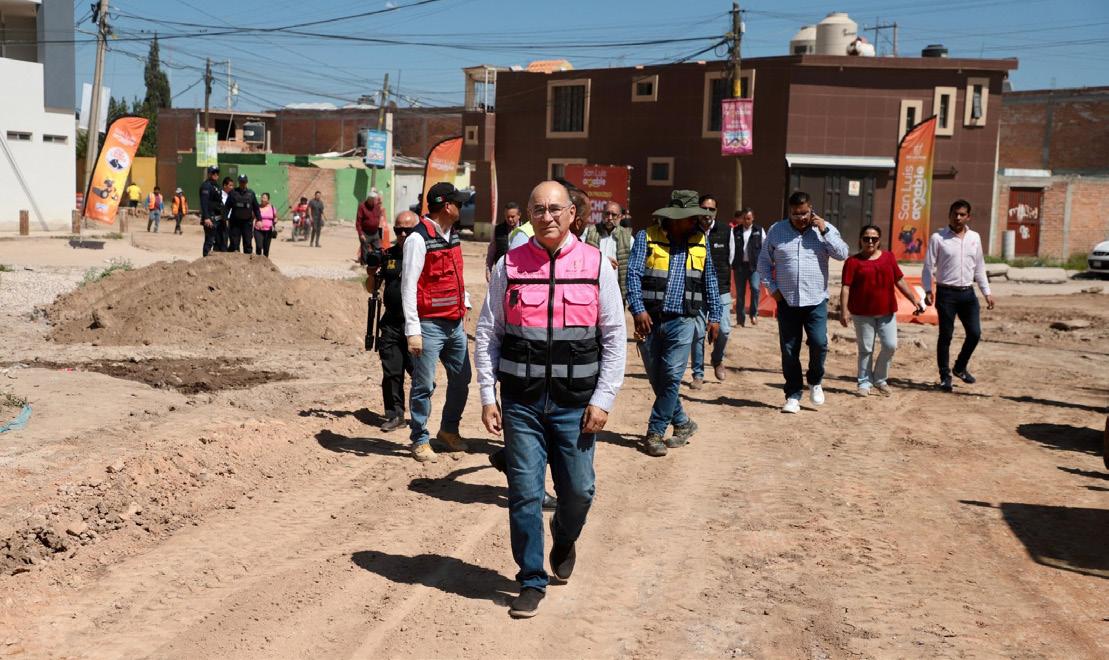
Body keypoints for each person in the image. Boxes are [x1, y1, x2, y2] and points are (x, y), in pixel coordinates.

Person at [475, 180, 626, 618]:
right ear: (529, 215)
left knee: (578, 491)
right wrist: (487, 395)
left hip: (575, 404)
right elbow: (488, 333)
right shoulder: (509, 265)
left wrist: (603, 399)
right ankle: (531, 579)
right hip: (521, 402)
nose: (548, 217)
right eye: (539, 209)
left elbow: (614, 336)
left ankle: (565, 535)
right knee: (524, 493)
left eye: (556, 208)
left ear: (572, 214)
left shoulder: (596, 265)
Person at [626, 189, 721, 457]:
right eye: (691, 217)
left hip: (683, 320)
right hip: (649, 321)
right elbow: (632, 275)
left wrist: (715, 315)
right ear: (676, 218)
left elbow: (710, 279)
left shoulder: (701, 240)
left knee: (670, 377)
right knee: (658, 379)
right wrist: (638, 310)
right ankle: (683, 422)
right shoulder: (646, 237)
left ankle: (655, 433)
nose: (696, 221)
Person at [758, 191, 849, 413]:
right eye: (795, 214)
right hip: (787, 301)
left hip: (815, 300)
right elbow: (763, 263)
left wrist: (824, 230)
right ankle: (793, 395)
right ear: (789, 212)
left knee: (819, 342)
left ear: (811, 209)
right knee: (790, 350)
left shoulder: (824, 230)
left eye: (804, 213)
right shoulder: (777, 230)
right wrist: (773, 290)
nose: (800, 218)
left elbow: (842, 253)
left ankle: (815, 381)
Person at [402, 181, 472, 462]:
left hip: (455, 324)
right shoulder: (417, 239)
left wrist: (464, 301)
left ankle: (448, 431)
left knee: (462, 379)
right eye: (459, 203)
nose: (461, 207)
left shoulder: (453, 235)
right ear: (446, 206)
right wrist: (413, 330)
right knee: (424, 385)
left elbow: (456, 275)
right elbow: (408, 286)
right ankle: (420, 439)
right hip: (428, 325)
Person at [839, 224, 925, 396]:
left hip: (886, 312)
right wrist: (844, 311)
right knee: (866, 349)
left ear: (879, 241)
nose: (870, 242)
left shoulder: (888, 258)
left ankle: (880, 380)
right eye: (866, 238)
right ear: (860, 240)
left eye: (874, 238)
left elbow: (899, 280)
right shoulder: (852, 262)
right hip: (862, 313)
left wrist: (914, 299)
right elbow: (846, 287)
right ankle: (864, 383)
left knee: (890, 345)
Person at [922, 199, 995, 392]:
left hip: (967, 294)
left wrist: (986, 292)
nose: (958, 217)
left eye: (962, 214)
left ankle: (960, 367)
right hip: (946, 293)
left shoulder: (974, 238)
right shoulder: (938, 238)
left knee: (975, 333)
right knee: (946, 335)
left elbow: (979, 267)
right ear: (949, 215)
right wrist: (928, 289)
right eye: (955, 214)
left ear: (968, 217)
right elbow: (928, 266)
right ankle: (945, 376)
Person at [377, 211, 419, 432]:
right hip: (392, 322)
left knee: (420, 374)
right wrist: (371, 272)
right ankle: (395, 415)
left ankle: (420, 415)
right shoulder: (389, 255)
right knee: (392, 372)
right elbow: (372, 287)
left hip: (416, 325)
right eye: (398, 230)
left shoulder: (424, 254)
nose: (402, 234)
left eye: (407, 230)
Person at [688, 193, 734, 387]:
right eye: (704, 209)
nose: (707, 213)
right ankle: (698, 374)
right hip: (696, 290)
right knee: (698, 332)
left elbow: (730, 259)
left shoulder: (726, 231)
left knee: (724, 330)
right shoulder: (690, 231)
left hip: (721, 289)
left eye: (711, 209)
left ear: (716, 211)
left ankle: (717, 359)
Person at [583, 201, 633, 304]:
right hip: (592, 290)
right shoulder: (589, 232)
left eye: (614, 215)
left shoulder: (628, 238)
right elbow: (580, 256)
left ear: (620, 217)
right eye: (607, 214)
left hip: (616, 293)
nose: (610, 218)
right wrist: (603, 260)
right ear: (602, 214)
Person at [733, 207, 765, 327]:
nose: (746, 221)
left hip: (754, 266)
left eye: (749, 219)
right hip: (740, 266)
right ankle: (740, 320)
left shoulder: (759, 230)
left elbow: (765, 247)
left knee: (755, 289)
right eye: (745, 218)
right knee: (740, 293)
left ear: (753, 218)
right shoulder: (735, 231)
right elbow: (731, 247)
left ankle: (753, 314)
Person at [486, 201, 523, 280]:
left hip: (520, 271)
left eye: (512, 216)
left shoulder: (525, 230)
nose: (510, 219)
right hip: (502, 271)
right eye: (507, 216)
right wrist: (488, 269)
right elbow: (492, 250)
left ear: (519, 215)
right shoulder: (498, 229)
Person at [225, 174, 260, 254]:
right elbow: (227, 207)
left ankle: (248, 260)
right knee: (234, 244)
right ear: (239, 182)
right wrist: (225, 218)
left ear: (246, 182)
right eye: (241, 182)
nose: (242, 183)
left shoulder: (251, 193)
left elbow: (256, 208)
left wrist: (259, 219)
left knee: (248, 243)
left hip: (247, 223)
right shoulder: (233, 193)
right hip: (235, 223)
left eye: (244, 182)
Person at [198, 167, 222, 256]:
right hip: (210, 217)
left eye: (217, 173)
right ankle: (205, 259)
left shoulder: (216, 186)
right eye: (213, 173)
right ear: (209, 174)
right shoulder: (206, 186)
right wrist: (206, 217)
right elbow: (204, 203)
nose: (215, 174)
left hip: (218, 217)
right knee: (209, 240)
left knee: (218, 241)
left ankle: (214, 260)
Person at [357, 190, 384, 257]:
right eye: (375, 200)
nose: (376, 201)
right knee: (365, 252)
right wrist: (361, 234)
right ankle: (364, 262)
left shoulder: (377, 206)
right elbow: (358, 222)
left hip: (375, 233)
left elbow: (379, 218)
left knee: (378, 250)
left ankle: (376, 262)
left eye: (376, 200)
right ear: (370, 200)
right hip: (365, 233)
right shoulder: (362, 206)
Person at [254, 192, 277, 257]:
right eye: (262, 197)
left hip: (268, 231)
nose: (262, 199)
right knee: (259, 246)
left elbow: (275, 217)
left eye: (264, 198)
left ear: (268, 200)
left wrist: (275, 220)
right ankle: (258, 260)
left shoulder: (272, 208)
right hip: (258, 230)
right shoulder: (257, 207)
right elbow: (252, 217)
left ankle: (265, 262)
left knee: (266, 249)